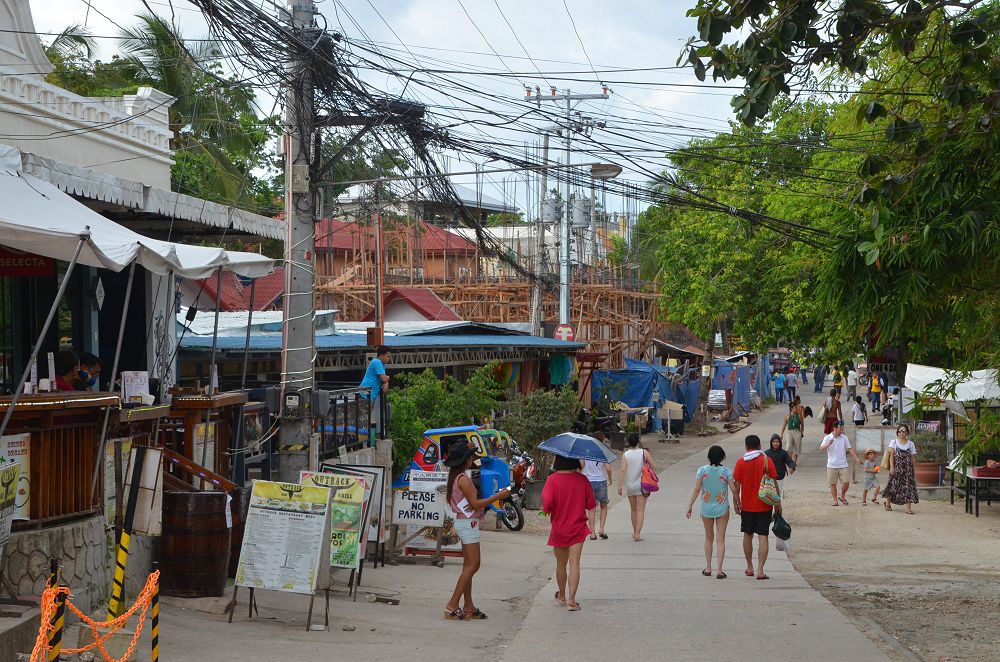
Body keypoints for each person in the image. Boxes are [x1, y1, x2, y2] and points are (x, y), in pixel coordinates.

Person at [443, 443, 511, 620]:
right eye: (471, 456)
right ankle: (452, 604)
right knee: (474, 565)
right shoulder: (463, 479)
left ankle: (468, 606)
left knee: (468, 566)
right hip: (468, 524)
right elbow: (475, 504)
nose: (473, 459)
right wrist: (498, 497)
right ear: (465, 460)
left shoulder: (456, 477)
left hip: (465, 522)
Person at [543, 455, 596, 611]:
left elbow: (546, 504)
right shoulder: (582, 480)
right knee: (574, 563)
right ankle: (572, 601)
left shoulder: (552, 480)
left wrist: (546, 510)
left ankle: (562, 596)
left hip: (559, 528)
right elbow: (591, 504)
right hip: (577, 528)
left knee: (561, 563)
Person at [732, 435, 780, 580]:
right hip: (765, 504)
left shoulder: (741, 462)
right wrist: (778, 503)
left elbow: (736, 486)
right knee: (763, 536)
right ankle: (760, 570)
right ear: (759, 445)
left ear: (746, 447)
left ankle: (749, 567)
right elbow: (774, 482)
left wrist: (736, 503)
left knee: (747, 535)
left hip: (747, 505)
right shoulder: (767, 460)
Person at [686, 445, 737, 579]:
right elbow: (734, 490)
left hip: (706, 508)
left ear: (709, 457)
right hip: (722, 508)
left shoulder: (702, 471)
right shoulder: (726, 472)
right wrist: (738, 502)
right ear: (722, 457)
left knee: (709, 538)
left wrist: (690, 505)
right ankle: (719, 570)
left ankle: (708, 568)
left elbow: (697, 489)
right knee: (721, 539)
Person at [618, 435, 654, 541]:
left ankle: (634, 532)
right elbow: (653, 465)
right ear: (638, 441)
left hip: (630, 485)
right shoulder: (644, 453)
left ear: (628, 442)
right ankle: (638, 533)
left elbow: (623, 470)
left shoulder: (625, 455)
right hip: (642, 485)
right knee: (640, 510)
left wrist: (619, 484)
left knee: (633, 509)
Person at [821, 420, 862, 506]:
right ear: (834, 428)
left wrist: (856, 459)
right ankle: (835, 500)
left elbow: (850, 449)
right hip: (831, 465)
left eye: (842, 429)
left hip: (843, 464)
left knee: (846, 482)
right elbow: (821, 448)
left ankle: (842, 496)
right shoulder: (827, 438)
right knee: (833, 484)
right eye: (840, 429)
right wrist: (828, 444)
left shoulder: (844, 437)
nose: (841, 431)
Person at [882, 424, 919, 514]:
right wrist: (892, 467)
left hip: (907, 470)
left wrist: (915, 470)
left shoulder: (911, 444)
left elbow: (913, 458)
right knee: (892, 486)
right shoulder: (893, 442)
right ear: (897, 433)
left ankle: (908, 508)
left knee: (908, 488)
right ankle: (888, 503)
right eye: (900, 431)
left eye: (904, 431)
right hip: (896, 469)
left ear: (907, 433)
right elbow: (891, 456)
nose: (902, 433)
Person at [360, 346, 391, 433]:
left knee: (366, 419)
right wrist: (387, 379)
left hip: (370, 395)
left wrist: (386, 381)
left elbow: (384, 379)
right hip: (365, 394)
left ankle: (366, 440)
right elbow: (384, 378)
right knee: (364, 419)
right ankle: (363, 441)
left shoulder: (381, 364)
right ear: (381, 355)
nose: (389, 358)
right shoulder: (377, 362)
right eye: (388, 356)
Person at [581, 459, 612, 540]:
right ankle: (601, 529)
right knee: (604, 506)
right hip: (601, 481)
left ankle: (593, 534)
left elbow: (580, 466)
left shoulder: (585, 452)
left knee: (591, 508)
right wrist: (610, 478)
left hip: (588, 481)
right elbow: (608, 469)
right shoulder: (602, 452)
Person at [779, 399, 805, 465]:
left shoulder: (799, 415)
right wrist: (781, 434)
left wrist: (802, 432)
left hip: (797, 432)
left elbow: (802, 424)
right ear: (791, 408)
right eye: (795, 407)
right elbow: (784, 425)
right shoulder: (787, 416)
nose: (796, 408)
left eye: (796, 407)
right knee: (788, 446)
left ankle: (794, 461)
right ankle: (789, 461)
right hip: (789, 432)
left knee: (797, 447)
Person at [850, 396, 869, 482]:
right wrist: (866, 417)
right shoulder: (863, 405)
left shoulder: (854, 406)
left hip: (856, 419)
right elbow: (865, 412)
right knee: (861, 429)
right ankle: (861, 437)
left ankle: (857, 437)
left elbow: (853, 413)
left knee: (856, 429)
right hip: (861, 419)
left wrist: (852, 419)